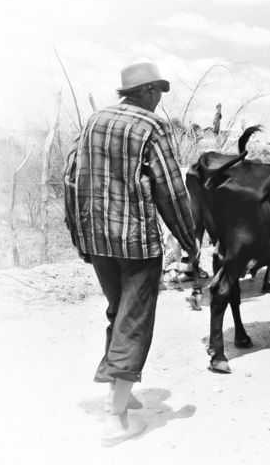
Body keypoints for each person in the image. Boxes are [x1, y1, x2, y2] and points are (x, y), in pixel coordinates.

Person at [64, 60, 199, 447]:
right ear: (148, 92)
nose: (159, 99)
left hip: (98, 240)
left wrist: (79, 236)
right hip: (136, 244)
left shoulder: (94, 121)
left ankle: (119, 391)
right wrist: (189, 241)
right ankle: (116, 419)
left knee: (119, 310)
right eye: (158, 91)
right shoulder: (150, 127)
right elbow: (170, 190)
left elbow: (71, 178)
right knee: (134, 321)